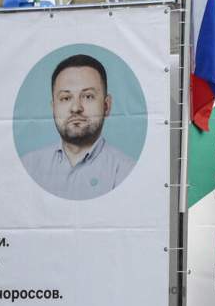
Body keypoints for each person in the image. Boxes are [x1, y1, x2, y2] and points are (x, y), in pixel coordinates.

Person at [21, 54, 136, 200]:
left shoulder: (126, 171)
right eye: (66, 98)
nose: (76, 108)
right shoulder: (29, 166)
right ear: (53, 108)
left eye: (88, 96)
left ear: (106, 106)